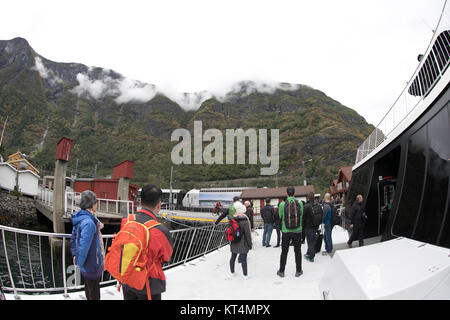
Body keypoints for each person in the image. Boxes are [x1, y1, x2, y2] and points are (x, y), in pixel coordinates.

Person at [121, 184, 173, 300]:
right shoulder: (161, 231)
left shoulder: (127, 221)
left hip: (127, 278)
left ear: (140, 201)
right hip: (149, 283)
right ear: (159, 204)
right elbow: (167, 257)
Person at [70, 190, 104, 300]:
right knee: (94, 293)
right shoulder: (89, 223)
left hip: (86, 264)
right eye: (96, 202)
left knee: (88, 288)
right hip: (91, 263)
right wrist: (80, 263)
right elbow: (84, 246)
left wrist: (76, 256)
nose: (97, 204)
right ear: (92, 204)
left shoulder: (80, 217)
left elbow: (74, 238)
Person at [277, 186, 304, 278]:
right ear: (294, 193)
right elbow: (301, 215)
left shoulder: (282, 204)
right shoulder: (300, 203)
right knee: (298, 251)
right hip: (297, 231)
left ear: (287, 193)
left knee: (284, 251)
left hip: (286, 231)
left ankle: (281, 271)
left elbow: (280, 216)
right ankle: (298, 270)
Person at [229, 211, 253, 279]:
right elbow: (248, 235)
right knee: (244, 259)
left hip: (234, 242)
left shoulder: (232, 221)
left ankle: (232, 272)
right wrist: (250, 244)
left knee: (233, 257)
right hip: (243, 243)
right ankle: (245, 275)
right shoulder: (245, 221)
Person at [302, 192, 320, 262]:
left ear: (308, 198)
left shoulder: (306, 206)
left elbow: (303, 218)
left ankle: (311, 257)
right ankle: (308, 253)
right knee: (312, 240)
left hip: (308, 227)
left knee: (310, 242)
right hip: (316, 226)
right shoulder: (318, 205)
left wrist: (302, 227)